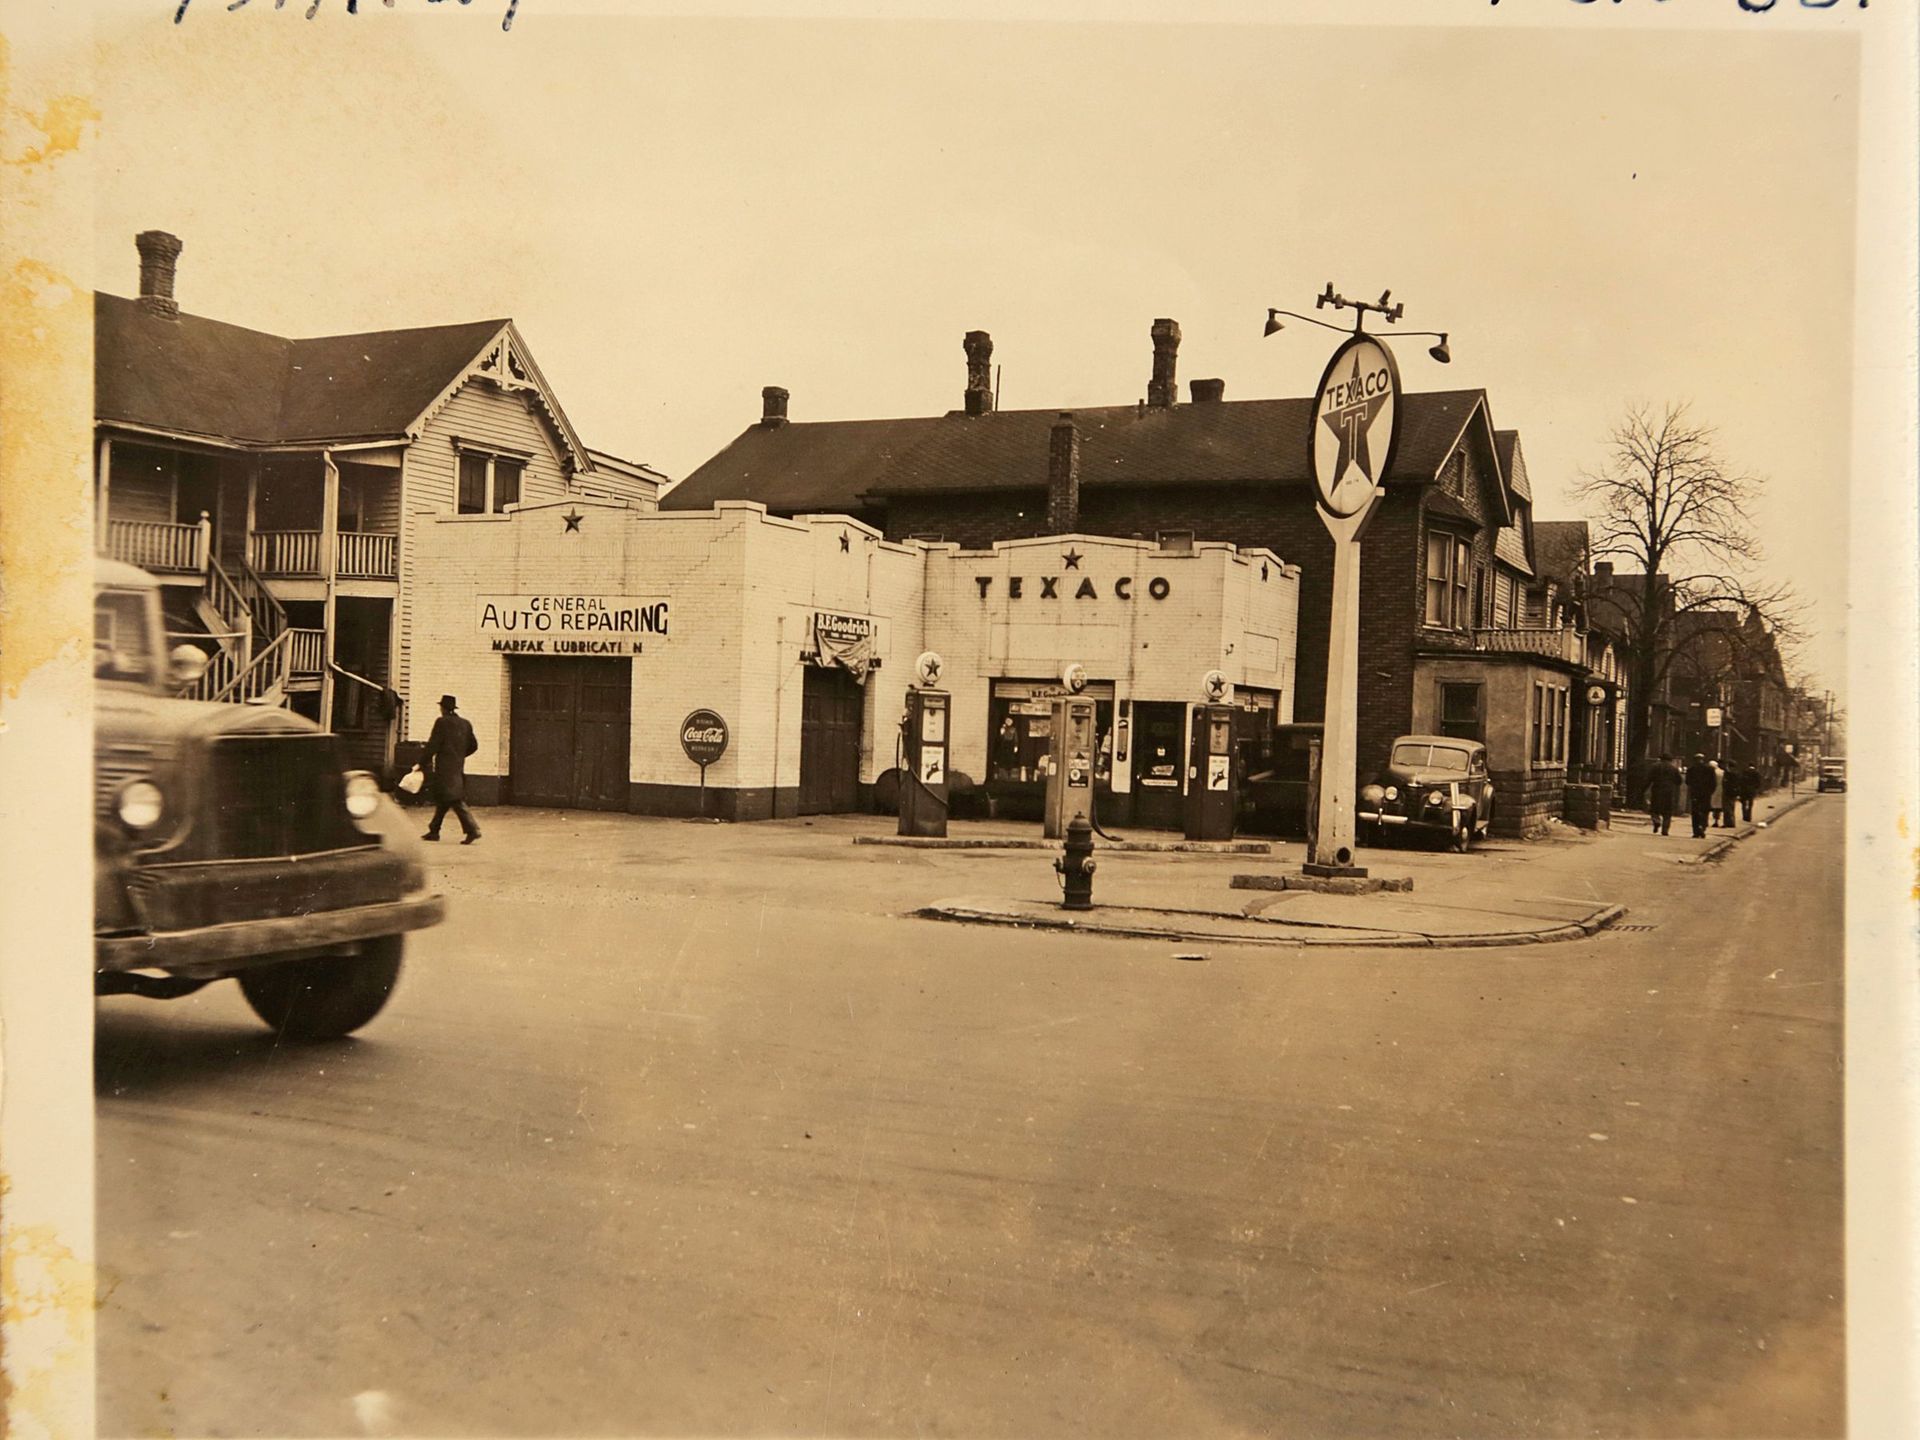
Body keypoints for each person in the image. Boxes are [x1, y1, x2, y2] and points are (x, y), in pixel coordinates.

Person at [418, 693, 481, 844]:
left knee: (454, 799)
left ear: (443, 708)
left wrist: (421, 763)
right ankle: (434, 830)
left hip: (444, 767)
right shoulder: (466, 723)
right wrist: (459, 755)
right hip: (457, 766)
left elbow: (433, 745)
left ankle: (472, 830)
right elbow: (474, 745)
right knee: (444, 799)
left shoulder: (441, 722)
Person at [1684, 753, 1718, 839]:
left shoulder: (1691, 769)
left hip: (1695, 793)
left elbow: (1687, 781)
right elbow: (1713, 783)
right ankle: (1702, 827)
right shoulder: (1710, 769)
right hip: (1706, 794)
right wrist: (1710, 792)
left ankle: (1696, 831)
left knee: (1695, 812)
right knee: (1705, 811)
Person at [1647, 753, 1681, 836]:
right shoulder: (1674, 769)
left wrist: (1644, 789)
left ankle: (1656, 820)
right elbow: (1679, 781)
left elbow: (1648, 778)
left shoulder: (1654, 767)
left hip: (1657, 790)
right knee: (1667, 812)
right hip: (1669, 792)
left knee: (1654, 809)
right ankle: (1665, 830)